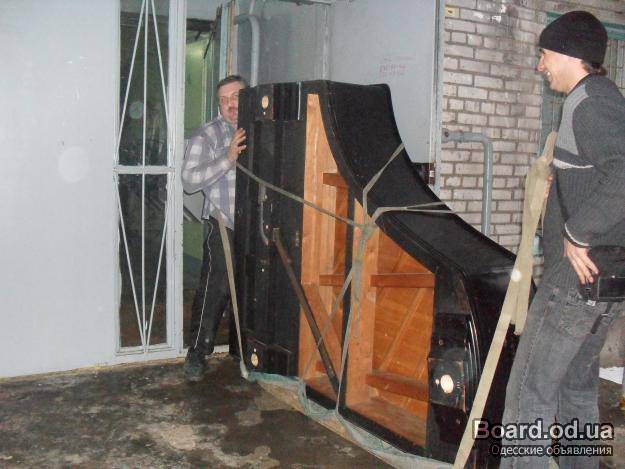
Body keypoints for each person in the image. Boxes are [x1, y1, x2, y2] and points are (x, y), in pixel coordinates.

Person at [501, 11, 625, 469]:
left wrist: (576, 230)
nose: (541, 66)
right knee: (576, 390)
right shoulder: (605, 97)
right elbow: (603, 173)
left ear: (570, 55)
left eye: (545, 55)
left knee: (527, 399)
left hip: (572, 283)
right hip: (603, 282)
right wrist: (563, 188)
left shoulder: (587, 103)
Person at [181, 75, 247, 381]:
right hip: (223, 222)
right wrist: (228, 158)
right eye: (224, 99)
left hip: (257, 226)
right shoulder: (207, 134)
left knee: (251, 289)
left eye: (236, 96)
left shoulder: (263, 129)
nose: (230, 104)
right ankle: (197, 353)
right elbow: (189, 180)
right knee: (215, 287)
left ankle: (245, 353)